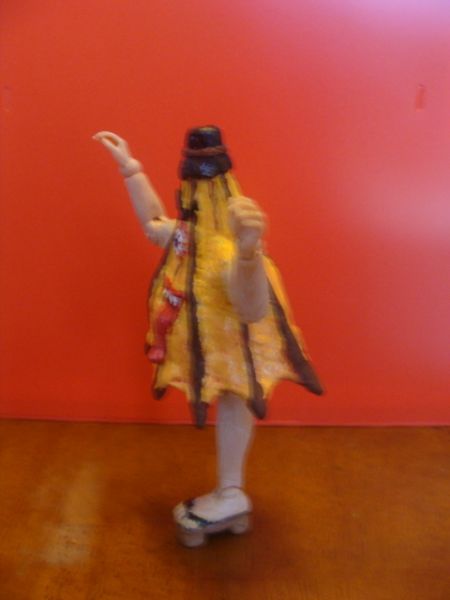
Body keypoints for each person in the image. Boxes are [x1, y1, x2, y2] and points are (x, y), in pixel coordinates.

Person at [93, 126, 322, 547]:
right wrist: (131, 169)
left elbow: (252, 307)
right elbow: (153, 224)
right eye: (191, 184)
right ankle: (230, 494)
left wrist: (249, 251)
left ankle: (231, 493)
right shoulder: (188, 236)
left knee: (236, 399)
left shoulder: (230, 247)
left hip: (234, 349)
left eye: (200, 183)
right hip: (208, 345)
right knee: (233, 400)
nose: (194, 192)